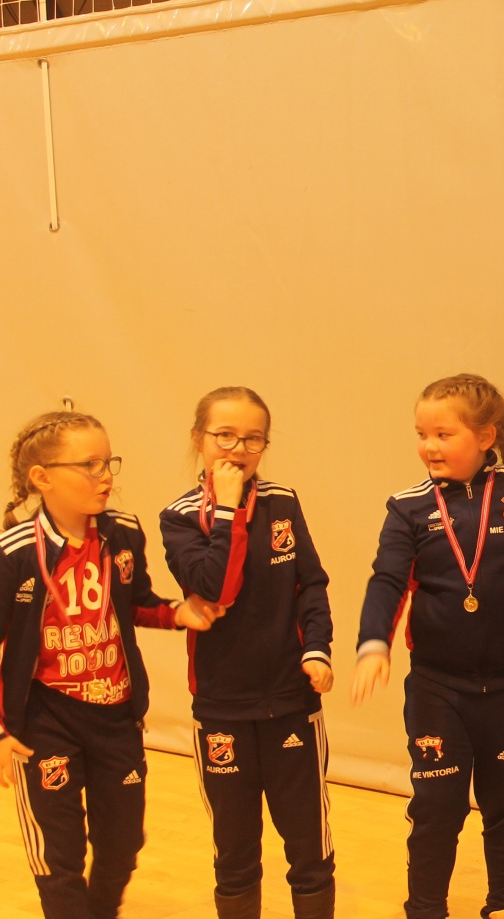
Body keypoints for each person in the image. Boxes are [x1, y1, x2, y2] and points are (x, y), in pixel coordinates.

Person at [352, 374, 504, 919]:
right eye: (422, 434)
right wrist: (373, 642)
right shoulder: (408, 507)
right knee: (436, 807)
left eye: (443, 434)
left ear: (486, 436)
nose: (429, 446)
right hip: (437, 688)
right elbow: (387, 580)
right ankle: (425, 908)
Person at [0, 409, 215, 919]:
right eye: (89, 465)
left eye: (108, 462)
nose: (105, 477)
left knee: (123, 845)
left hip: (116, 715)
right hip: (46, 720)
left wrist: (177, 613)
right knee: (60, 855)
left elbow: (135, 603)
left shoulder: (123, 534)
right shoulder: (15, 553)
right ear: (42, 477)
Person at [160, 386, 336, 919]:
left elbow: (311, 584)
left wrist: (318, 649)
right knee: (235, 854)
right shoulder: (179, 517)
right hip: (222, 707)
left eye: (253, 439)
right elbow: (217, 588)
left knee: (309, 849)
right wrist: (228, 508)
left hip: (290, 702)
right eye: (225, 436)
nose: (238, 449)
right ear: (199, 439)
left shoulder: (283, 501)